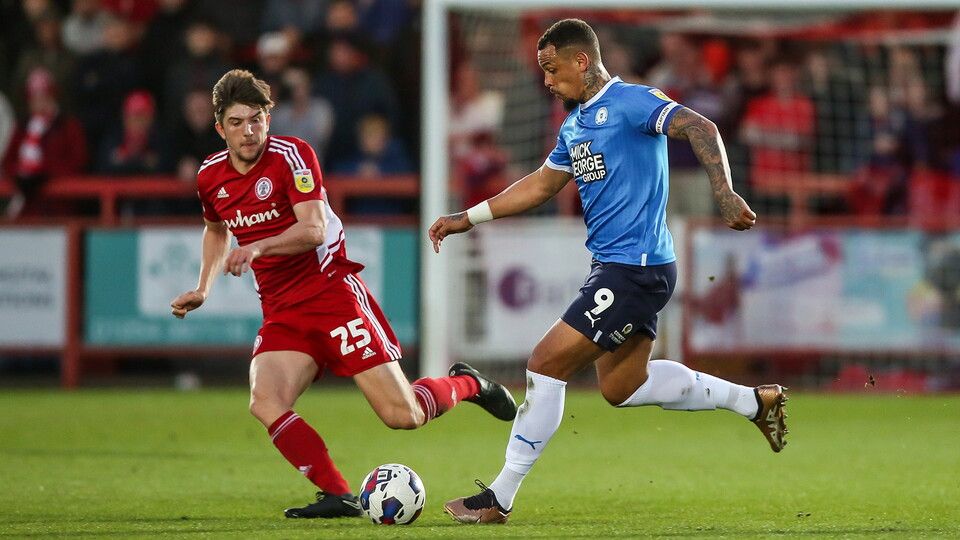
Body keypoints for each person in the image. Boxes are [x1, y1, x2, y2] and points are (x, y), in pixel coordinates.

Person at [429, 19, 789, 525]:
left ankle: (499, 497)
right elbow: (539, 186)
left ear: (582, 61)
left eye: (553, 70)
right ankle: (754, 403)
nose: (548, 82)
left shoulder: (632, 102)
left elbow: (701, 127)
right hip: (621, 268)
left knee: (544, 364)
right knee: (623, 387)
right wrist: (468, 217)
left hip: (634, 269)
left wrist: (725, 193)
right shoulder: (575, 125)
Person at [170, 69, 517, 519]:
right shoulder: (210, 176)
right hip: (281, 310)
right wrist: (203, 286)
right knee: (265, 400)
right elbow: (215, 229)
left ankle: (470, 383)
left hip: (332, 295)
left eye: (256, 119)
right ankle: (338, 495)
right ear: (220, 128)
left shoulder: (293, 156)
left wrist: (257, 246)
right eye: (237, 122)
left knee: (403, 415)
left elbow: (313, 229)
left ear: (268, 119)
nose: (248, 131)